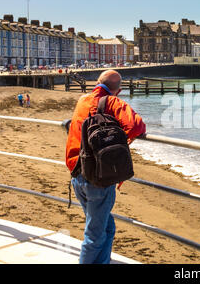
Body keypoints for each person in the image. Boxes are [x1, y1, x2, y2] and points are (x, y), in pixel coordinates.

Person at [65, 70, 146, 264]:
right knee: (94, 236)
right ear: (117, 90)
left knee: (107, 228)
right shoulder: (112, 102)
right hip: (98, 179)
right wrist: (121, 139)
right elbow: (136, 127)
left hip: (77, 174)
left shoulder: (83, 100)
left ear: (97, 83)